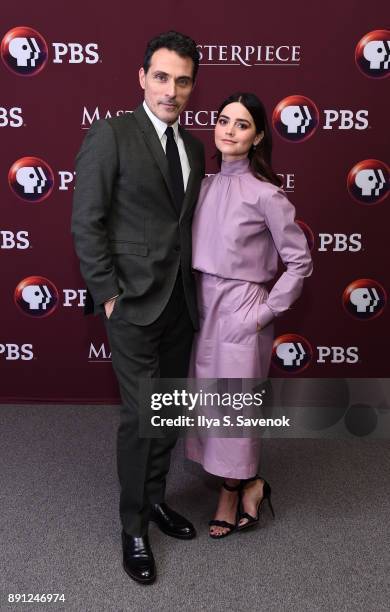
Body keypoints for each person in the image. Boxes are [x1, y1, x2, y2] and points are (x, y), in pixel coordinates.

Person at [71, 31, 205, 584]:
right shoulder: (111, 134)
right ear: (142, 77)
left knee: (168, 413)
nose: (171, 90)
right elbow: (86, 221)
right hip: (129, 304)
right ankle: (132, 528)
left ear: (193, 86)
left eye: (183, 80)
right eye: (162, 77)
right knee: (140, 417)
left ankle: (154, 500)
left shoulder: (195, 148)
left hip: (180, 303)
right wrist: (107, 295)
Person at [185, 92, 313, 538]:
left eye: (241, 124)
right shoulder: (199, 185)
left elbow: (299, 261)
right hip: (201, 307)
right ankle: (251, 481)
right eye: (223, 121)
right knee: (208, 404)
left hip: (242, 307)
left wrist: (262, 313)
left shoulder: (267, 195)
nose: (229, 130)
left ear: (258, 135)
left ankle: (231, 493)